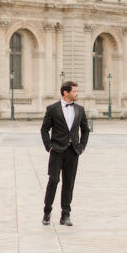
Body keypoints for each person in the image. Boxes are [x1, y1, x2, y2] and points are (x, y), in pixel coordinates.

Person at [40, 81, 90, 226]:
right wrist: (48, 146)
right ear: (65, 93)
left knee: (69, 183)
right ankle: (47, 212)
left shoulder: (80, 110)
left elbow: (86, 129)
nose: (77, 93)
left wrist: (81, 147)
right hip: (56, 151)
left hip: (73, 151)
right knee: (53, 181)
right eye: (74, 91)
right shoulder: (52, 109)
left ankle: (65, 215)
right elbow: (44, 129)